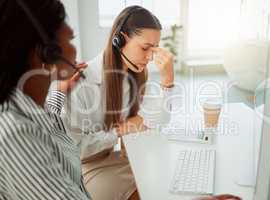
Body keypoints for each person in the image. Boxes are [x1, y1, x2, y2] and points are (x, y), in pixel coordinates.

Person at [47, 5, 174, 200]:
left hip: (117, 159)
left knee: (166, 182)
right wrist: (120, 130)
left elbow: (158, 120)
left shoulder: (137, 74)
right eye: (144, 48)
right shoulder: (82, 81)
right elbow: (75, 149)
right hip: (84, 169)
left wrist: (168, 82)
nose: (149, 57)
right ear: (119, 39)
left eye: (154, 49)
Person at [0, 0, 90, 199]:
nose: (75, 51)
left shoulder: (33, 105)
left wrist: (61, 91)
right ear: (46, 51)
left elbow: (48, 122)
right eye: (70, 39)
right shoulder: (16, 134)